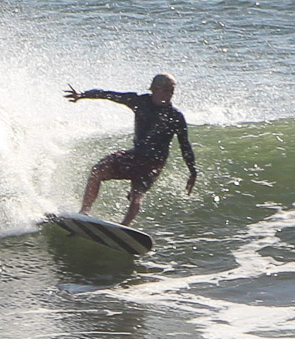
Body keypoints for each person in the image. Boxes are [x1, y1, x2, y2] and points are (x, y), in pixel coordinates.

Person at [64, 73, 197, 226]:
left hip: (154, 162)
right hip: (136, 155)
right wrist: (82, 95)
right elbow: (109, 95)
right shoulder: (139, 101)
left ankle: (123, 228)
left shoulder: (176, 116)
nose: (169, 94)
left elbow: (185, 145)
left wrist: (192, 171)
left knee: (137, 194)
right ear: (154, 89)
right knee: (97, 171)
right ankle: (84, 213)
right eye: (165, 90)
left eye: (171, 91)